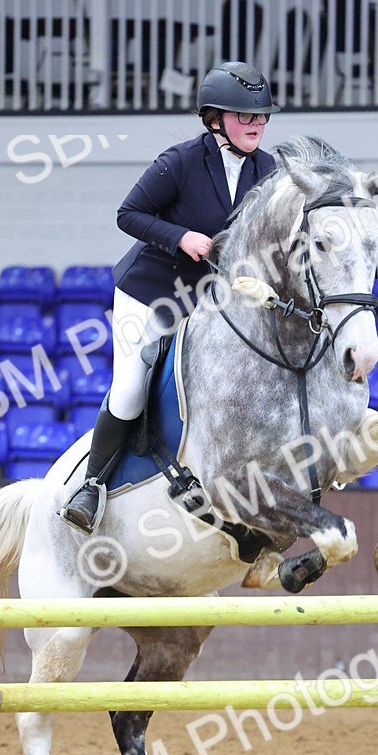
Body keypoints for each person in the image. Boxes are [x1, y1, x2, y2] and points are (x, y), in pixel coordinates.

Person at [60, 61, 280, 535]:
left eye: (262, 116)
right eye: (246, 116)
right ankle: (91, 486)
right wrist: (181, 237)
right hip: (152, 294)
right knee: (131, 387)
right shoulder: (180, 161)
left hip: (212, 302)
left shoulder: (269, 169)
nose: (257, 124)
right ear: (215, 118)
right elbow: (129, 213)